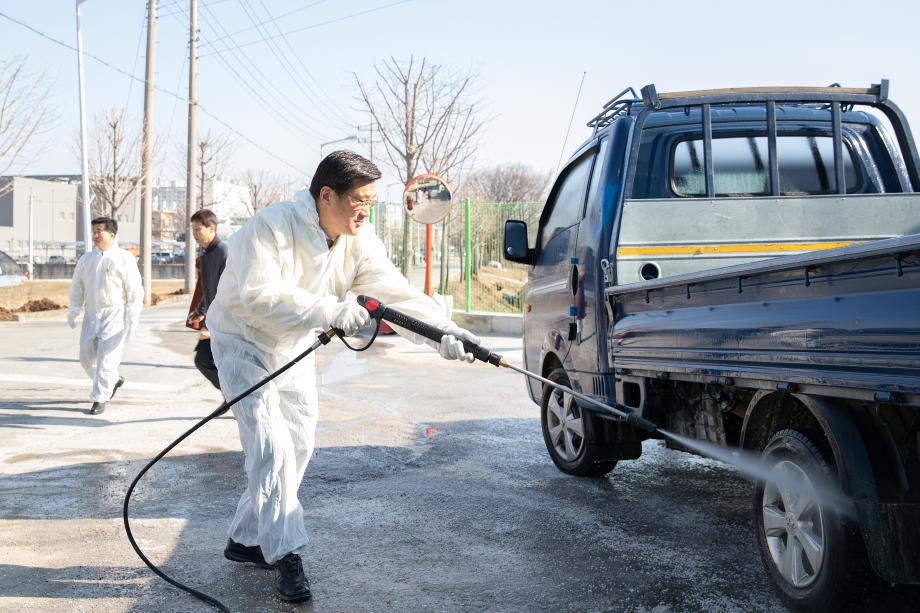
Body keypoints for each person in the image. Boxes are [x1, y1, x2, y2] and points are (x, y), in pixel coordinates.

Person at [207, 150, 478, 604]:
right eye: (359, 200)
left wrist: (446, 334)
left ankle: (245, 538)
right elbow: (257, 295)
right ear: (326, 195)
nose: (365, 211)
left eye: (371, 202)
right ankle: (286, 554)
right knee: (271, 446)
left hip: (291, 347)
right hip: (243, 343)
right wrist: (329, 310)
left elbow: (396, 294)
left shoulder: (360, 239)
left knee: (297, 445)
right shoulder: (272, 225)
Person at [67, 216, 144, 415]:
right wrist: (74, 309)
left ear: (112, 234)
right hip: (91, 314)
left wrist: (133, 315)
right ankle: (113, 380)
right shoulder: (87, 259)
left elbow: (135, 289)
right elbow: (77, 286)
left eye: (98, 231)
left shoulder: (123, 258)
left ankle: (100, 398)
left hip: (115, 314)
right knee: (86, 359)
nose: (94, 235)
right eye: (93, 231)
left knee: (107, 360)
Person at [185, 209, 228, 390]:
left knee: (206, 360)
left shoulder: (224, 252)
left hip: (225, 322)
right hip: (213, 320)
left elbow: (227, 291)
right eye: (193, 230)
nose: (195, 234)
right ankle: (232, 395)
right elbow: (208, 288)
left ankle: (234, 395)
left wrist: (212, 329)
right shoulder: (205, 255)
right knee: (204, 360)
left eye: (198, 230)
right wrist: (200, 311)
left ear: (212, 228)